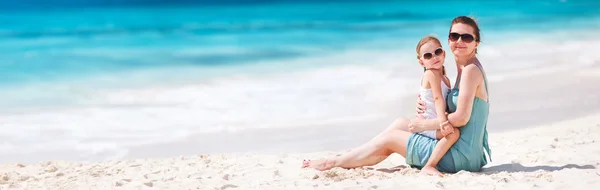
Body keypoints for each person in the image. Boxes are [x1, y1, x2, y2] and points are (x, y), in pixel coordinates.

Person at [301, 16, 491, 176]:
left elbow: (461, 118)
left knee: (390, 139)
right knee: (400, 123)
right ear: (448, 40)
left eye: (466, 37)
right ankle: (348, 156)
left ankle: (332, 162)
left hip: (460, 156)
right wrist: (426, 101)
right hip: (463, 150)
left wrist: (423, 124)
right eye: (454, 35)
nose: (459, 41)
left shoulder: (470, 71)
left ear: (476, 43)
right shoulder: (463, 69)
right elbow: (453, 105)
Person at [406, 34, 460, 175]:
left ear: (444, 53)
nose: (434, 57)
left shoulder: (445, 78)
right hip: (427, 125)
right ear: (421, 62)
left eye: (437, 52)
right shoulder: (431, 74)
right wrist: (443, 122)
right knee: (454, 134)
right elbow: (437, 99)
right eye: (428, 55)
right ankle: (430, 165)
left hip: (433, 122)